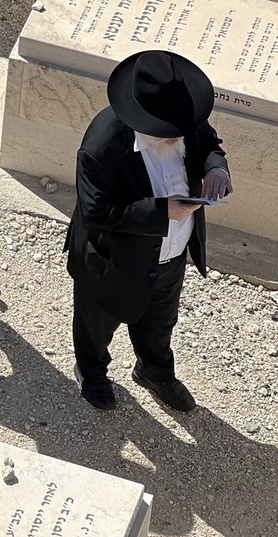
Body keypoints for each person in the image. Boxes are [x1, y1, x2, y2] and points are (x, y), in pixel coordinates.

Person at [65, 50, 232, 412]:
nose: (178, 136)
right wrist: (162, 212)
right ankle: (91, 372)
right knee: (97, 323)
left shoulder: (184, 116)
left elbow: (209, 145)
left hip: (171, 256)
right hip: (113, 260)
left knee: (160, 322)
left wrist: (217, 167)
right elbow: (96, 211)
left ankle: (154, 371)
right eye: (169, 131)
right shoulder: (101, 145)